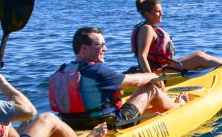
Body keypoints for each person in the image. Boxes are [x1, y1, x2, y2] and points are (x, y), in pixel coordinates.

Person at [49, 27, 187, 129]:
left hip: (72, 125)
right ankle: (177, 106)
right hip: (112, 123)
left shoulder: (62, 70)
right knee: (149, 87)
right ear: (84, 48)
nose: (105, 49)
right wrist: (152, 75)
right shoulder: (96, 70)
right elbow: (137, 81)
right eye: (100, 45)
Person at [131, 0, 222, 74]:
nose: (161, 14)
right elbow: (142, 56)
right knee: (199, 59)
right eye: (158, 11)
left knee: (199, 54)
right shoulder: (146, 29)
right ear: (147, 14)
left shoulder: (150, 28)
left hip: (163, 68)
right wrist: (151, 79)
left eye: (161, 11)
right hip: (156, 73)